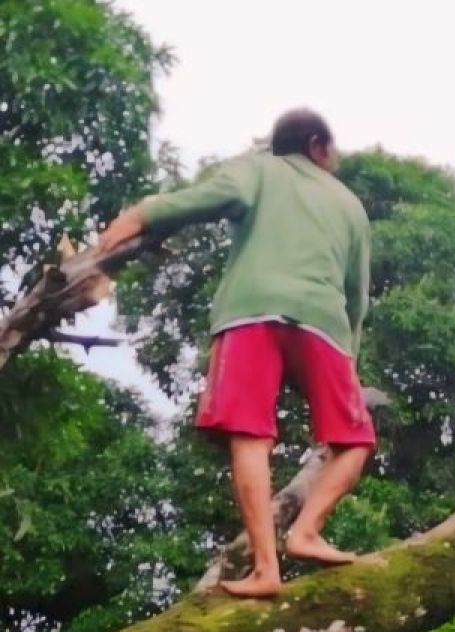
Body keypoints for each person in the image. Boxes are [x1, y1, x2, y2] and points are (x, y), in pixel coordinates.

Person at [96, 109, 375, 598]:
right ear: (316, 144)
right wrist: (346, 357)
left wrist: (140, 215)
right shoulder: (350, 205)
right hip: (324, 322)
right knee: (353, 441)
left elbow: (210, 198)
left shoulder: (257, 169)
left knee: (250, 436)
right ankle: (307, 531)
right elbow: (357, 294)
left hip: (251, 311)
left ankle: (266, 570)